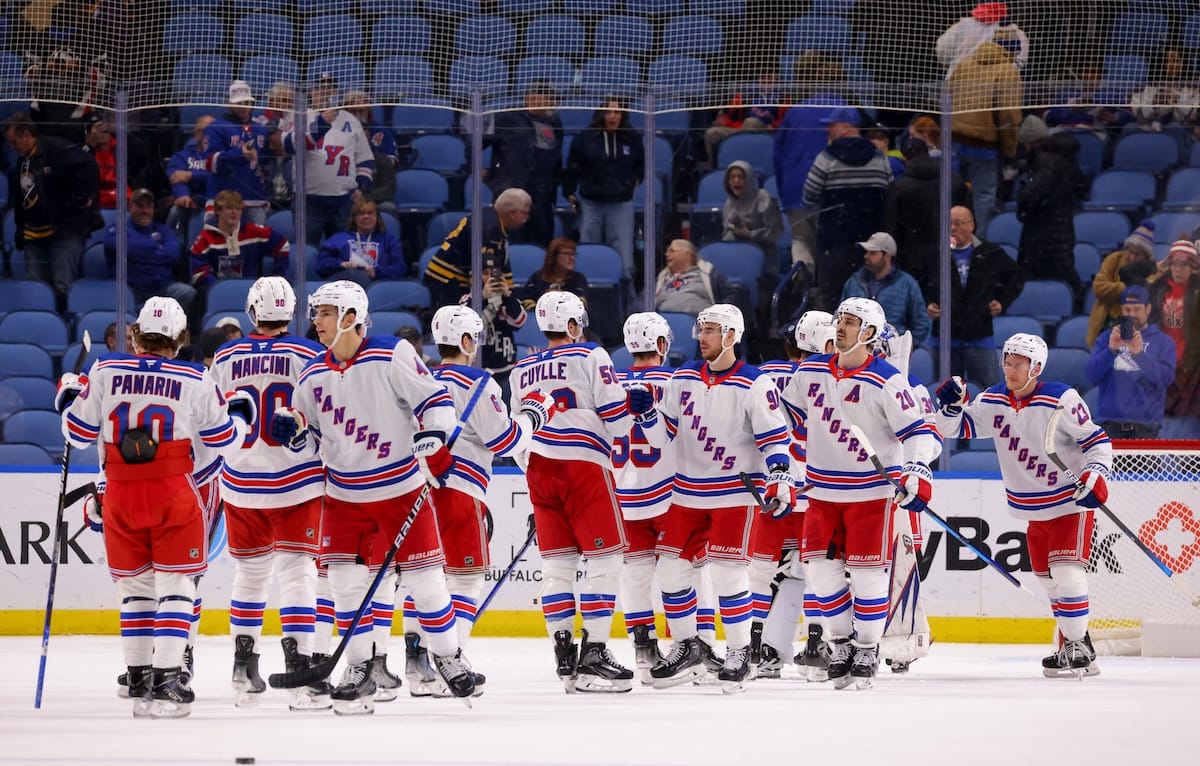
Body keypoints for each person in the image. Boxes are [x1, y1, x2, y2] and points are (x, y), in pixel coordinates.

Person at [269, 280, 476, 714]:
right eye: (316, 312)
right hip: (343, 494)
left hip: (400, 487)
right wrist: (293, 436)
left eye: (325, 312)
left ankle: (449, 656)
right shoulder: (310, 374)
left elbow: (435, 401)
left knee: (425, 581)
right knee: (344, 586)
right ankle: (359, 669)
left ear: (350, 318)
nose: (317, 321)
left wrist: (434, 439)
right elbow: (311, 443)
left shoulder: (392, 354)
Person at [55, 296, 255, 717]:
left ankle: (138, 675)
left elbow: (76, 431)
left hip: (121, 493)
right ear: (180, 338)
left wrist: (67, 398)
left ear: (135, 334)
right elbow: (223, 442)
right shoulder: (194, 377)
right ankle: (167, 678)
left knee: (136, 589)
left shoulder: (106, 370)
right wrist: (240, 417)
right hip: (172, 490)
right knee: (177, 586)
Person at [778, 297, 941, 689]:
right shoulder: (810, 371)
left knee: (869, 575)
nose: (840, 327)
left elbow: (922, 432)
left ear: (868, 333)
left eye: (850, 322)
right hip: (821, 491)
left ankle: (867, 647)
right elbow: (783, 417)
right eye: (839, 320)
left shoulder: (886, 380)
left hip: (870, 494)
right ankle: (841, 643)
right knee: (820, 572)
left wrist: (917, 470)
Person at [638, 303, 796, 692]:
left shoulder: (755, 383)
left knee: (728, 574)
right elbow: (661, 438)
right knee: (670, 571)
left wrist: (778, 475)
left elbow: (775, 438)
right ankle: (687, 645)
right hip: (687, 493)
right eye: (700, 329)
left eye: (709, 330)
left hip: (734, 495)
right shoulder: (684, 377)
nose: (700, 337)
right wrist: (646, 418)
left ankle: (741, 652)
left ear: (730, 336)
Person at [935, 333, 1112, 676]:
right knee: (1048, 580)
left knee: (1067, 573)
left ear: (1037, 367)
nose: (1010, 368)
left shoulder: (1061, 399)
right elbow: (954, 428)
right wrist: (950, 406)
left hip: (1069, 504)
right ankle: (1078, 645)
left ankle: (1075, 645)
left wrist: (1095, 475)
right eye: (1007, 360)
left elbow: (1097, 441)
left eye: (1019, 363)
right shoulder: (993, 400)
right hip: (1033, 510)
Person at [508, 291, 647, 693]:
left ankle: (565, 655)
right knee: (606, 560)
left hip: (538, 468)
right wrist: (630, 406)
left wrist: (536, 464)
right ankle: (594, 655)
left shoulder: (520, 370)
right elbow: (616, 420)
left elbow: (518, 437)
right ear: (572, 325)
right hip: (583, 465)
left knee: (557, 568)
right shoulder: (591, 355)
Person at [206, 277, 330, 711]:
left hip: (240, 484)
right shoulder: (311, 354)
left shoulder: (224, 355)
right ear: (292, 311)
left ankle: (243, 669)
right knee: (299, 574)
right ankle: (298, 669)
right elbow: (323, 419)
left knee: (250, 577)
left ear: (251, 312)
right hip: (296, 482)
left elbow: (211, 419)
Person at [420, 305, 552, 673]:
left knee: (425, 579)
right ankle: (451, 661)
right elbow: (505, 440)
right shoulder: (478, 382)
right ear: (465, 340)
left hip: (418, 489)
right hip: (460, 491)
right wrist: (533, 415)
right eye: (474, 339)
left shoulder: (422, 379)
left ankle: (419, 665)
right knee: (465, 581)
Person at [753, 311, 836, 680]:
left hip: (774, 487)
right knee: (817, 571)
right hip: (816, 489)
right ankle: (818, 644)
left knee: (760, 572)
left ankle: (756, 648)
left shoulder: (763, 376)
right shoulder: (836, 377)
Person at [610, 312, 677, 683]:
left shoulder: (613, 386)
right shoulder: (675, 382)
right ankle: (689, 645)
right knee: (683, 573)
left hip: (625, 495)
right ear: (662, 345)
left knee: (634, 577)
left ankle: (643, 650)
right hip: (669, 493)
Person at [4, 111, 101, 307]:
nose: (11, 148)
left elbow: (88, 165)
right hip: (33, 234)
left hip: (62, 232)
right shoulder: (23, 159)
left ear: (26, 135)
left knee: (62, 286)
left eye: (14, 142)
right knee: (36, 291)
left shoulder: (56, 148)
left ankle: (63, 328)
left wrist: (80, 199)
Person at [802, 107, 893, 309]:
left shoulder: (826, 158)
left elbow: (809, 195)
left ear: (845, 128)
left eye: (831, 126)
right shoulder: (879, 157)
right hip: (871, 244)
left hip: (834, 243)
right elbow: (889, 191)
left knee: (833, 301)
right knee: (870, 300)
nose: (828, 130)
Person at [927, 205, 1024, 388]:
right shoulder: (937, 254)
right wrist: (928, 304)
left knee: (991, 392)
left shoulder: (990, 253)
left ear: (971, 225)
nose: (952, 228)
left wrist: (1002, 301)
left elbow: (1016, 277)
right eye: (949, 224)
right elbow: (921, 282)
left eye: (958, 223)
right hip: (945, 338)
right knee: (946, 394)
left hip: (979, 336)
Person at [773, 53, 849, 274]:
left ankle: (803, 282)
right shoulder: (845, 112)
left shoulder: (795, 112)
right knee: (831, 246)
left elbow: (778, 155)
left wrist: (785, 192)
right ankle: (824, 294)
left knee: (800, 240)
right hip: (831, 193)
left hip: (795, 191)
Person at [946, 23, 1023, 234]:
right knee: (984, 196)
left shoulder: (964, 63)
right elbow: (1009, 117)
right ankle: (979, 245)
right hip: (984, 145)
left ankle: (949, 239)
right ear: (1013, 49)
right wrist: (1009, 151)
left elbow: (947, 96)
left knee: (952, 193)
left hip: (954, 140)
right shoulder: (1008, 70)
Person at [563, 96, 644, 283]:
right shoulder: (585, 138)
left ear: (623, 115)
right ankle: (585, 292)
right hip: (591, 204)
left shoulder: (632, 138)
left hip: (620, 204)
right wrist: (569, 192)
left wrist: (633, 183)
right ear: (601, 114)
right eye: (608, 112)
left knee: (624, 258)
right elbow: (573, 167)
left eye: (617, 112)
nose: (613, 116)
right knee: (588, 251)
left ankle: (626, 300)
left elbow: (640, 166)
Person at [282, 87, 375, 246]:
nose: (325, 92)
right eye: (320, 88)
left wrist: (361, 187)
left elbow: (365, 160)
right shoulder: (299, 115)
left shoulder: (351, 120)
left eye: (330, 88)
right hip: (308, 202)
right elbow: (290, 145)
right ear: (311, 92)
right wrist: (322, 124)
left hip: (344, 202)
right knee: (306, 253)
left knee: (342, 254)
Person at [884, 127, 971, 297]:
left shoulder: (899, 187)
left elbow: (892, 227)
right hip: (950, 255)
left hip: (913, 260)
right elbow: (969, 218)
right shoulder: (955, 180)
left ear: (905, 159)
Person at [1084, 285, 1176, 440]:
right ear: (1121, 310)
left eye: (1137, 309)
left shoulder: (1163, 341)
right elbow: (1091, 375)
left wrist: (1140, 355)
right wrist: (1111, 351)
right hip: (1109, 426)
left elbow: (1165, 379)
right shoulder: (1107, 338)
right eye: (1127, 310)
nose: (1132, 314)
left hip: (1147, 429)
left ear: (1148, 309)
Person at [423, 187, 531, 307]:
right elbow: (482, 271)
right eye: (525, 213)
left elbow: (499, 267)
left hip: (452, 279)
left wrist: (512, 295)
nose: (526, 219)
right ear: (512, 213)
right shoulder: (489, 229)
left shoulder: (491, 219)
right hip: (447, 281)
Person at [486, 80, 563, 247]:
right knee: (509, 242)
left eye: (541, 98)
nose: (536, 101)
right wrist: (478, 169)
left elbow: (557, 158)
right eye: (532, 97)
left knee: (541, 243)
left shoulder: (555, 123)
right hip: (512, 193)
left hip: (542, 197)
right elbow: (474, 140)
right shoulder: (507, 117)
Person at [1016, 129, 1087, 294]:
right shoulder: (1068, 164)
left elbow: (1035, 190)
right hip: (1061, 226)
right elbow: (1082, 188)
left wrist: (1023, 202)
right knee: (1063, 270)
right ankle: (1076, 302)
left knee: (1029, 271)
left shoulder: (1045, 162)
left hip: (1040, 227)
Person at [103, 188, 194, 310]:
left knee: (187, 292)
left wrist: (137, 256)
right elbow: (122, 247)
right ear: (130, 207)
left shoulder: (163, 229)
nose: (144, 211)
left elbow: (174, 254)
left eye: (148, 207)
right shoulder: (118, 228)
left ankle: (167, 324)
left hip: (161, 288)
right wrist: (156, 246)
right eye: (140, 206)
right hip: (131, 290)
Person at [203, 80, 275, 225]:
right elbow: (209, 163)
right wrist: (238, 154)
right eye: (239, 103)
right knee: (221, 244)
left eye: (246, 102)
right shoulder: (216, 127)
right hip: (223, 200)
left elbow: (266, 163)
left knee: (256, 244)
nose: (243, 107)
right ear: (229, 103)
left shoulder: (261, 129)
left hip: (254, 199)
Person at [189, 190, 291, 293]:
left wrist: (278, 278)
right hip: (219, 293)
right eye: (229, 208)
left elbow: (282, 244)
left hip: (252, 293)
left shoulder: (254, 232)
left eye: (238, 209)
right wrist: (218, 288)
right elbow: (199, 272)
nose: (234, 212)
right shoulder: (205, 238)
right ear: (218, 211)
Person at [841, 232, 931, 346]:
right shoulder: (853, 282)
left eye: (872, 253)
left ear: (887, 256)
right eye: (866, 252)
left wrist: (908, 346)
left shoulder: (907, 284)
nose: (866, 256)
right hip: (856, 349)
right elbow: (840, 316)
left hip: (892, 350)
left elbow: (921, 322)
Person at [1086, 220, 1157, 347]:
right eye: (1130, 251)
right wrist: (1124, 287)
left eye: (1137, 254)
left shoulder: (1152, 270)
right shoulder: (1114, 259)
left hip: (1135, 326)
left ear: (1146, 255)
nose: (1132, 257)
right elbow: (1099, 288)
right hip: (1107, 321)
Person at [315, 198, 406, 287]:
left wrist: (376, 272)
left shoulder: (389, 239)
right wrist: (341, 264)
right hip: (345, 283)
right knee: (356, 276)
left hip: (377, 284)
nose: (366, 216)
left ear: (377, 217)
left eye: (370, 213)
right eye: (361, 213)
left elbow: (400, 268)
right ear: (354, 218)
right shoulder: (339, 238)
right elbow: (321, 265)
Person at [704, 70, 781, 167]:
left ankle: (744, 166)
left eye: (770, 78)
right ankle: (716, 171)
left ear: (777, 79)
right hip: (743, 128)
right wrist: (725, 122)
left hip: (770, 132)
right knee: (712, 133)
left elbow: (787, 119)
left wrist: (774, 126)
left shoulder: (783, 96)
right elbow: (729, 118)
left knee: (752, 122)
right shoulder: (745, 95)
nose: (766, 81)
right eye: (762, 77)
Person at [721, 160, 784, 279]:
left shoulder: (763, 198)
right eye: (732, 177)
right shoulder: (729, 203)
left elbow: (775, 232)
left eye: (740, 177)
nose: (736, 181)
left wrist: (749, 234)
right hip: (738, 255)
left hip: (764, 256)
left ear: (749, 179)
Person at [166, 115, 214, 256]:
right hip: (189, 202)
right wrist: (183, 195)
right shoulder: (181, 156)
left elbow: (218, 178)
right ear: (195, 134)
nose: (206, 134)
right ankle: (176, 255)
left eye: (211, 130)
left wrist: (190, 176)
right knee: (174, 211)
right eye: (202, 130)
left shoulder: (220, 156)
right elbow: (176, 178)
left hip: (212, 201)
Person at [654, 239, 736, 318]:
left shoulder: (709, 273)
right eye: (666, 251)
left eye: (672, 251)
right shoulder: (662, 278)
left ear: (687, 253)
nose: (667, 254)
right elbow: (642, 301)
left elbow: (730, 295)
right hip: (662, 325)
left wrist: (718, 317)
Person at [522, 237, 589, 307]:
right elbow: (526, 302)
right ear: (553, 256)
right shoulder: (537, 277)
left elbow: (582, 304)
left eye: (573, 254)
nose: (572, 258)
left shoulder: (578, 278)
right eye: (566, 253)